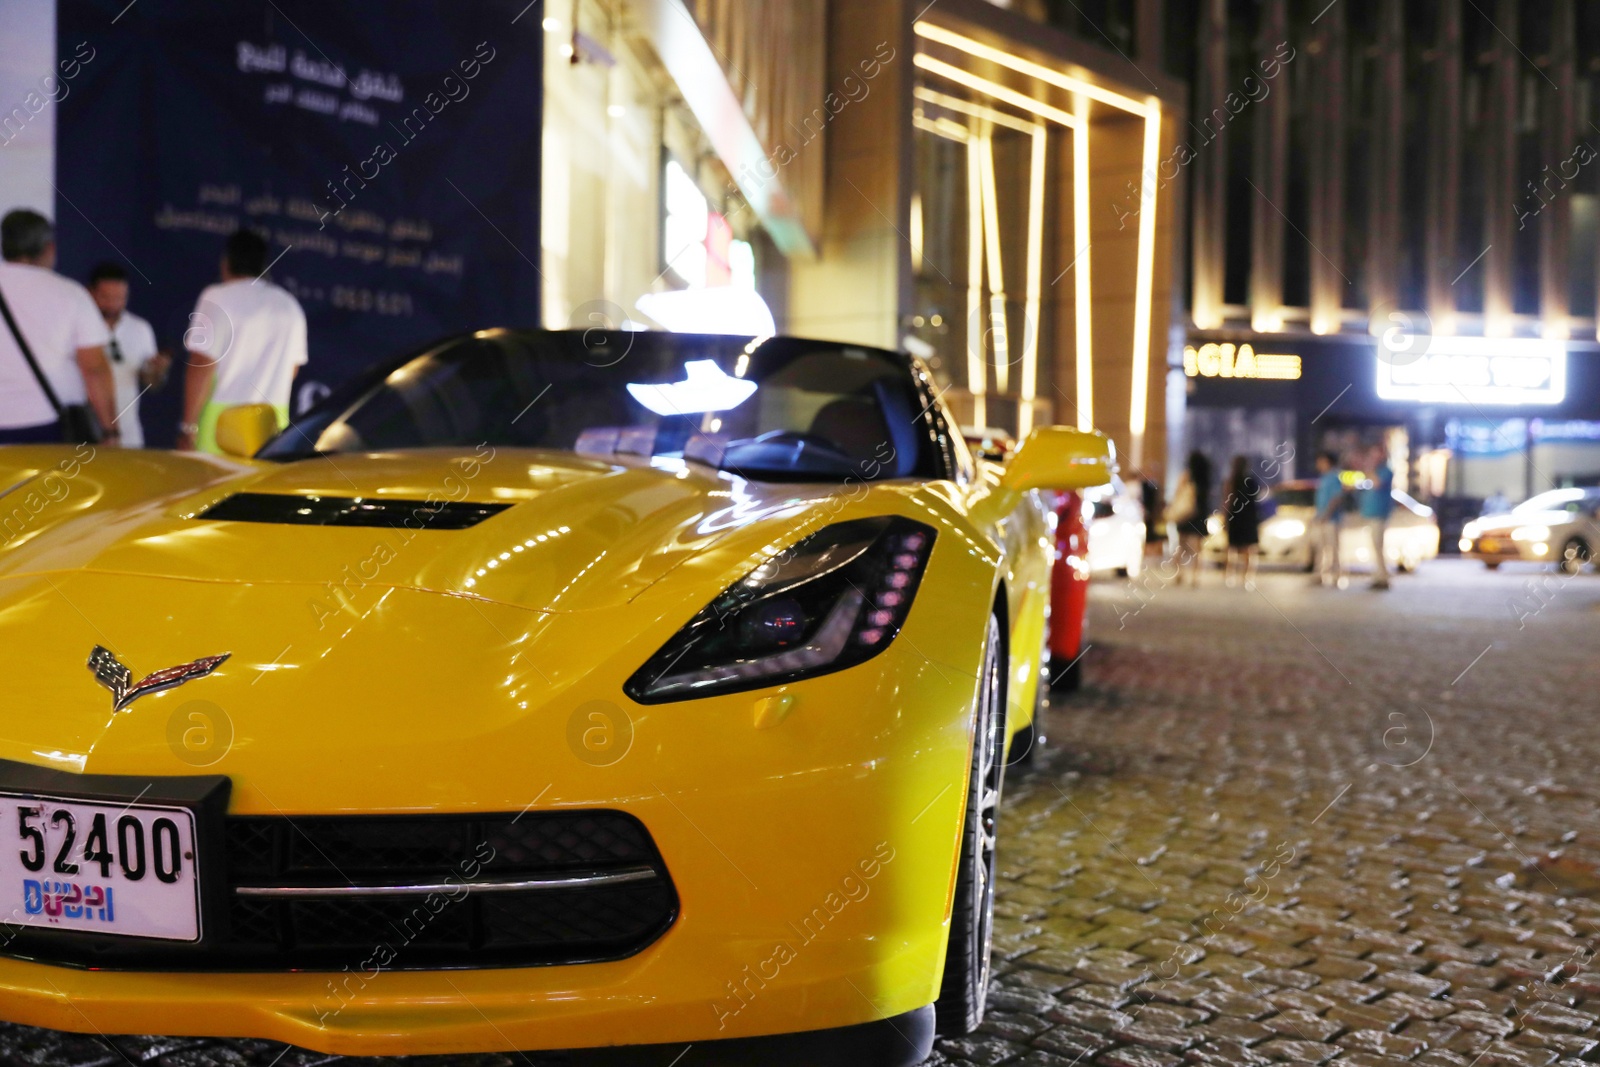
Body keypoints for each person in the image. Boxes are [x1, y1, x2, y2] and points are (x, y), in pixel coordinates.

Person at [180, 228, 307, 453]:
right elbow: (292, 370)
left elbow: (201, 363)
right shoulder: (289, 305)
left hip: (220, 427)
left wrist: (188, 427)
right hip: (272, 429)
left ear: (226, 262)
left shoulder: (216, 297)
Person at [0, 209, 119, 444]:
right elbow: (94, 368)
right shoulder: (71, 295)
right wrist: (110, 431)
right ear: (49, 248)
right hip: (50, 427)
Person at [87, 261, 167, 449]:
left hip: (129, 437)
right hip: (83, 435)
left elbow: (151, 385)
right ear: (90, 293)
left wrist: (157, 370)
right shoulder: (78, 327)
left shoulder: (141, 329)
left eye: (120, 298)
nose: (113, 305)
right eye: (106, 297)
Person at [1167, 449, 1211, 586]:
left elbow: (1177, 494)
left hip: (1185, 515)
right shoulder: (1205, 478)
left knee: (1181, 546)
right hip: (1199, 515)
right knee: (1197, 548)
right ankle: (1195, 577)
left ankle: (1179, 574)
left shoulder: (1186, 476)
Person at [1360, 443, 1396, 590]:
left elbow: (1376, 483)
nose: (1373, 457)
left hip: (1379, 513)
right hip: (1371, 513)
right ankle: (1379, 575)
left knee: (1378, 546)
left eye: (1376, 454)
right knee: (1375, 546)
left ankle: (1383, 577)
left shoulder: (1385, 471)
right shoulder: (1375, 470)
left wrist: (1369, 468)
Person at [1223, 454, 1260, 589]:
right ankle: (1248, 578)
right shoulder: (1252, 481)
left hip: (1235, 517)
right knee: (1249, 550)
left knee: (1232, 548)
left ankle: (1229, 575)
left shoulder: (1231, 480)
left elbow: (1227, 501)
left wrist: (1225, 518)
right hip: (1249, 518)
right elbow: (1256, 501)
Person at [1313, 450, 1346, 588]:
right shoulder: (1324, 477)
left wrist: (1326, 515)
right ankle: (1320, 575)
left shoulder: (1333, 477)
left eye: (1321, 461)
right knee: (1320, 547)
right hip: (1322, 518)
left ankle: (1336, 575)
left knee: (1333, 548)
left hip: (1331, 520)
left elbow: (1336, 498)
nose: (1318, 464)